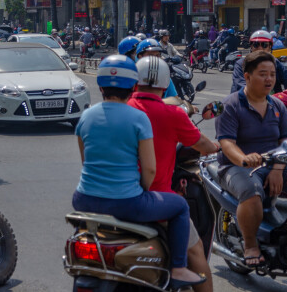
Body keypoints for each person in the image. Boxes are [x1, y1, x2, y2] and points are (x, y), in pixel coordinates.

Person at [72, 55, 207, 290]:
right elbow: (150, 168)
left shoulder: (86, 116)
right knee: (180, 206)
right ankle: (178, 268)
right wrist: (144, 190)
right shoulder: (138, 118)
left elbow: (86, 162)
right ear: (132, 86)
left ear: (100, 86)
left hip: (83, 200)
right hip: (126, 202)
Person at [129, 56, 218, 292]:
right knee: (195, 250)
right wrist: (217, 147)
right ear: (165, 83)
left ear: (134, 82)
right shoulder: (173, 115)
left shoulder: (121, 111)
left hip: (109, 198)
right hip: (154, 200)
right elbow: (204, 145)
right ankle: (181, 270)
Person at [216, 51, 287, 267]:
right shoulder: (230, 105)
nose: (269, 79)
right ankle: (250, 244)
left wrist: (278, 169)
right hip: (236, 167)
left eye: (272, 74)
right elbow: (227, 143)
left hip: (273, 164)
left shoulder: (278, 106)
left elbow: (286, 141)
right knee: (252, 192)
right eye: (262, 74)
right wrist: (244, 158)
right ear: (247, 77)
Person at [231, 30, 287, 94]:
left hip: (272, 104)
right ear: (251, 46)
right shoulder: (241, 64)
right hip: (246, 104)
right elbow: (240, 84)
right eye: (256, 45)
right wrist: (259, 95)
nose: (260, 48)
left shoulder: (275, 63)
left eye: (264, 45)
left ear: (270, 47)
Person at [133, 39, 184, 106]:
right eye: (150, 55)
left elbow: (175, 99)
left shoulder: (164, 76)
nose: (155, 59)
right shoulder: (133, 75)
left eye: (157, 55)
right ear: (140, 56)